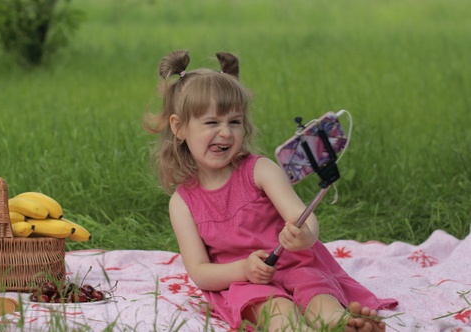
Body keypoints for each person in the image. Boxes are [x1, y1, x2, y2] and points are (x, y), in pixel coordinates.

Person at [144, 50, 398, 331]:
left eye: (235, 122)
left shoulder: (261, 170)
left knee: (320, 298)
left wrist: (304, 235)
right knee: (279, 313)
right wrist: (243, 269)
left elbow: (303, 217)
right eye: (212, 122)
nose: (226, 133)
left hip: (297, 267)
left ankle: (343, 324)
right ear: (179, 128)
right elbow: (201, 273)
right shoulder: (183, 203)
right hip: (248, 283)